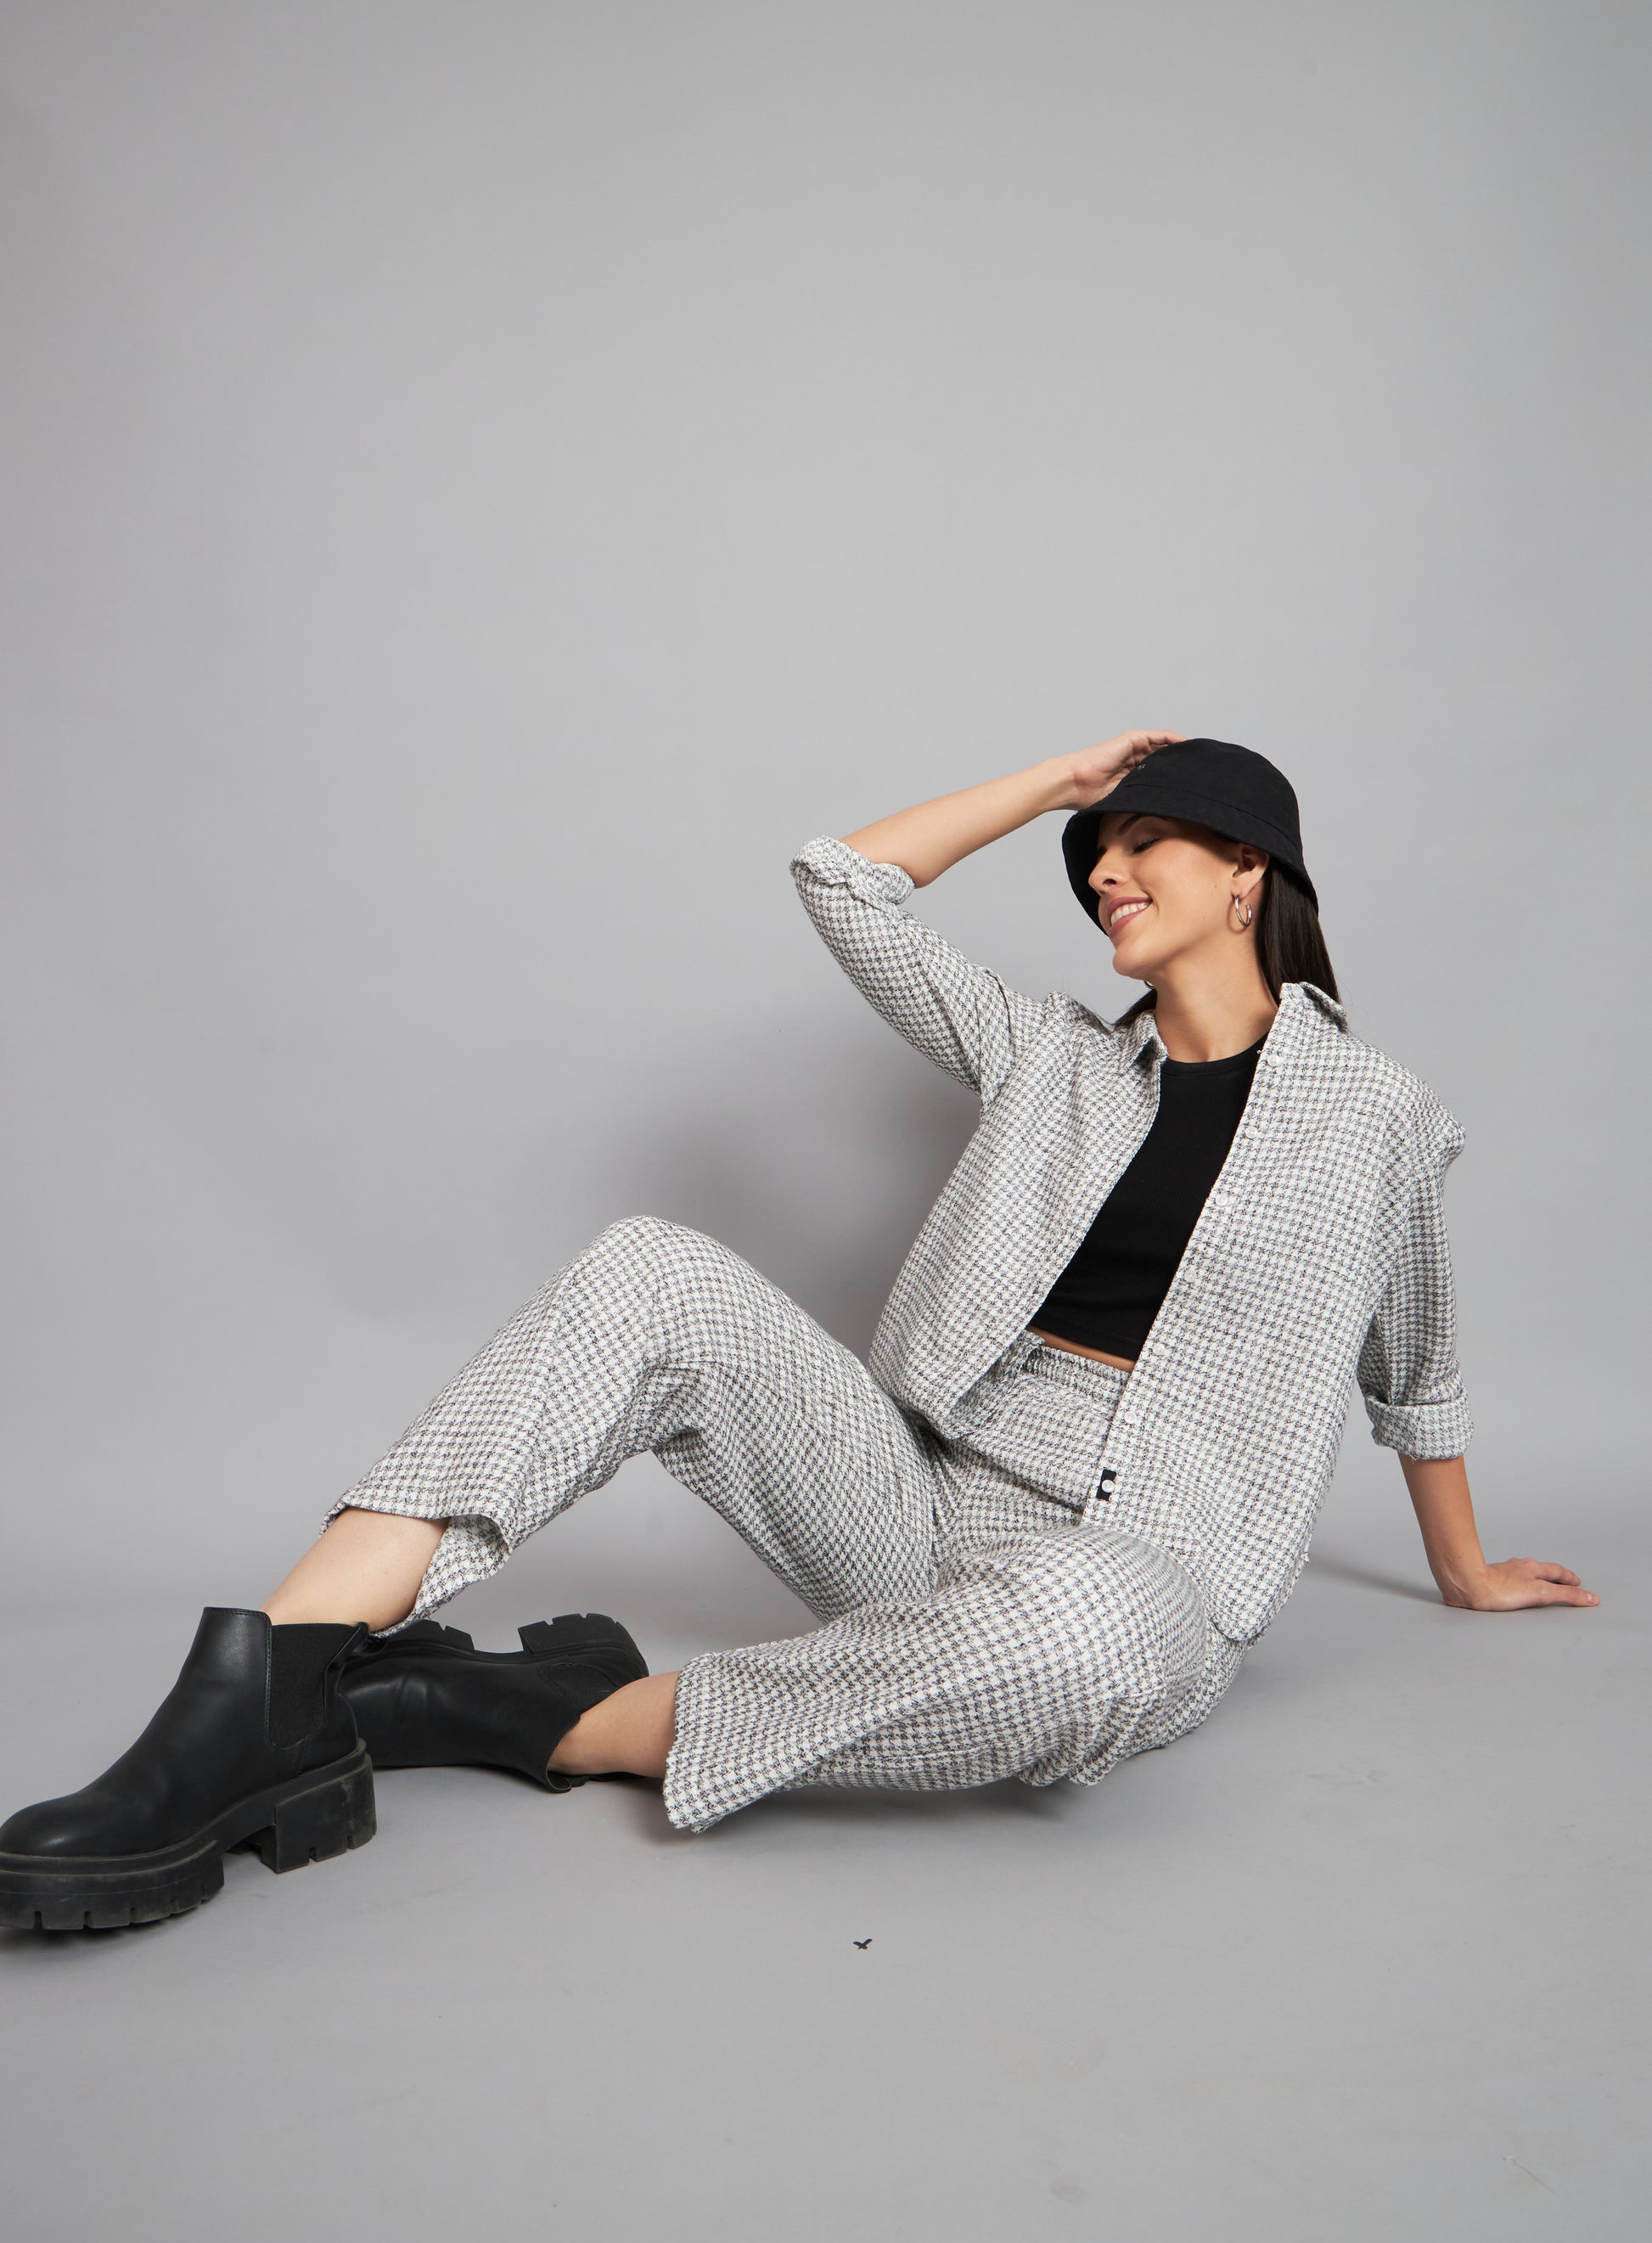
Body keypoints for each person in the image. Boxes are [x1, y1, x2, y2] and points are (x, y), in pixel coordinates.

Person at [0, 732, 1595, 1931]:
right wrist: (1055, 783)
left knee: (1064, 1648)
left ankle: (529, 1713)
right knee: (652, 1269)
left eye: (1148, 844)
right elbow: (844, 878)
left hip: (1153, 1567)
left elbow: (1418, 1360)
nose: (1106, 872)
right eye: (1094, 853)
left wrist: (1459, 1566)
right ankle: (266, 1689)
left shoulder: (1377, 1115)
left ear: (1250, 870)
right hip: (928, 1496)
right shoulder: (1050, 1059)